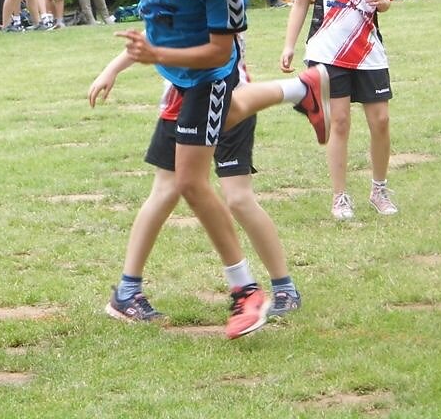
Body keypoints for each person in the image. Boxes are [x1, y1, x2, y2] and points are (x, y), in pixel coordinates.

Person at [92, 0, 331, 339]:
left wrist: (154, 55)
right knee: (170, 184)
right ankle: (127, 291)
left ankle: (247, 291)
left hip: (208, 80)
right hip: (177, 79)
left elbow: (220, 52)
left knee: (194, 186)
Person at [90, 36, 302, 322]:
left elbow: (205, 45)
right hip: (179, 107)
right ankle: (127, 291)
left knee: (239, 199)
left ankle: (284, 288)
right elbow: (154, 34)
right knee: (165, 191)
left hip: (230, 105)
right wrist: (112, 68)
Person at [281, 0, 398, 221]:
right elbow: (301, 1)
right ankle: (340, 196)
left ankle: (379, 189)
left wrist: (384, 3)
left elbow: (387, 0)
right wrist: (289, 45)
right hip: (326, 51)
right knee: (339, 122)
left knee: (381, 121)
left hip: (369, 50)